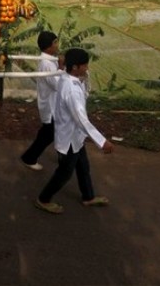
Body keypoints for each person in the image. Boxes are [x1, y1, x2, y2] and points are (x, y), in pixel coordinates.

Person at [34, 47, 114, 215]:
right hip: (70, 138)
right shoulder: (71, 89)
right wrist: (101, 141)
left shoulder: (67, 77)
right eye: (85, 66)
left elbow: (66, 71)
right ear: (76, 67)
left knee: (83, 166)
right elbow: (81, 119)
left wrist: (63, 64)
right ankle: (43, 199)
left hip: (75, 136)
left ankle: (88, 196)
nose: (87, 69)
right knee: (64, 173)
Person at [20, 31, 61, 170]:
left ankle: (64, 156)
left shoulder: (48, 60)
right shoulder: (47, 63)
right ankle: (29, 157)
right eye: (55, 42)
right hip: (50, 105)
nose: (57, 45)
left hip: (52, 104)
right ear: (49, 46)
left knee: (52, 132)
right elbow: (56, 85)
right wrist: (62, 69)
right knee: (48, 134)